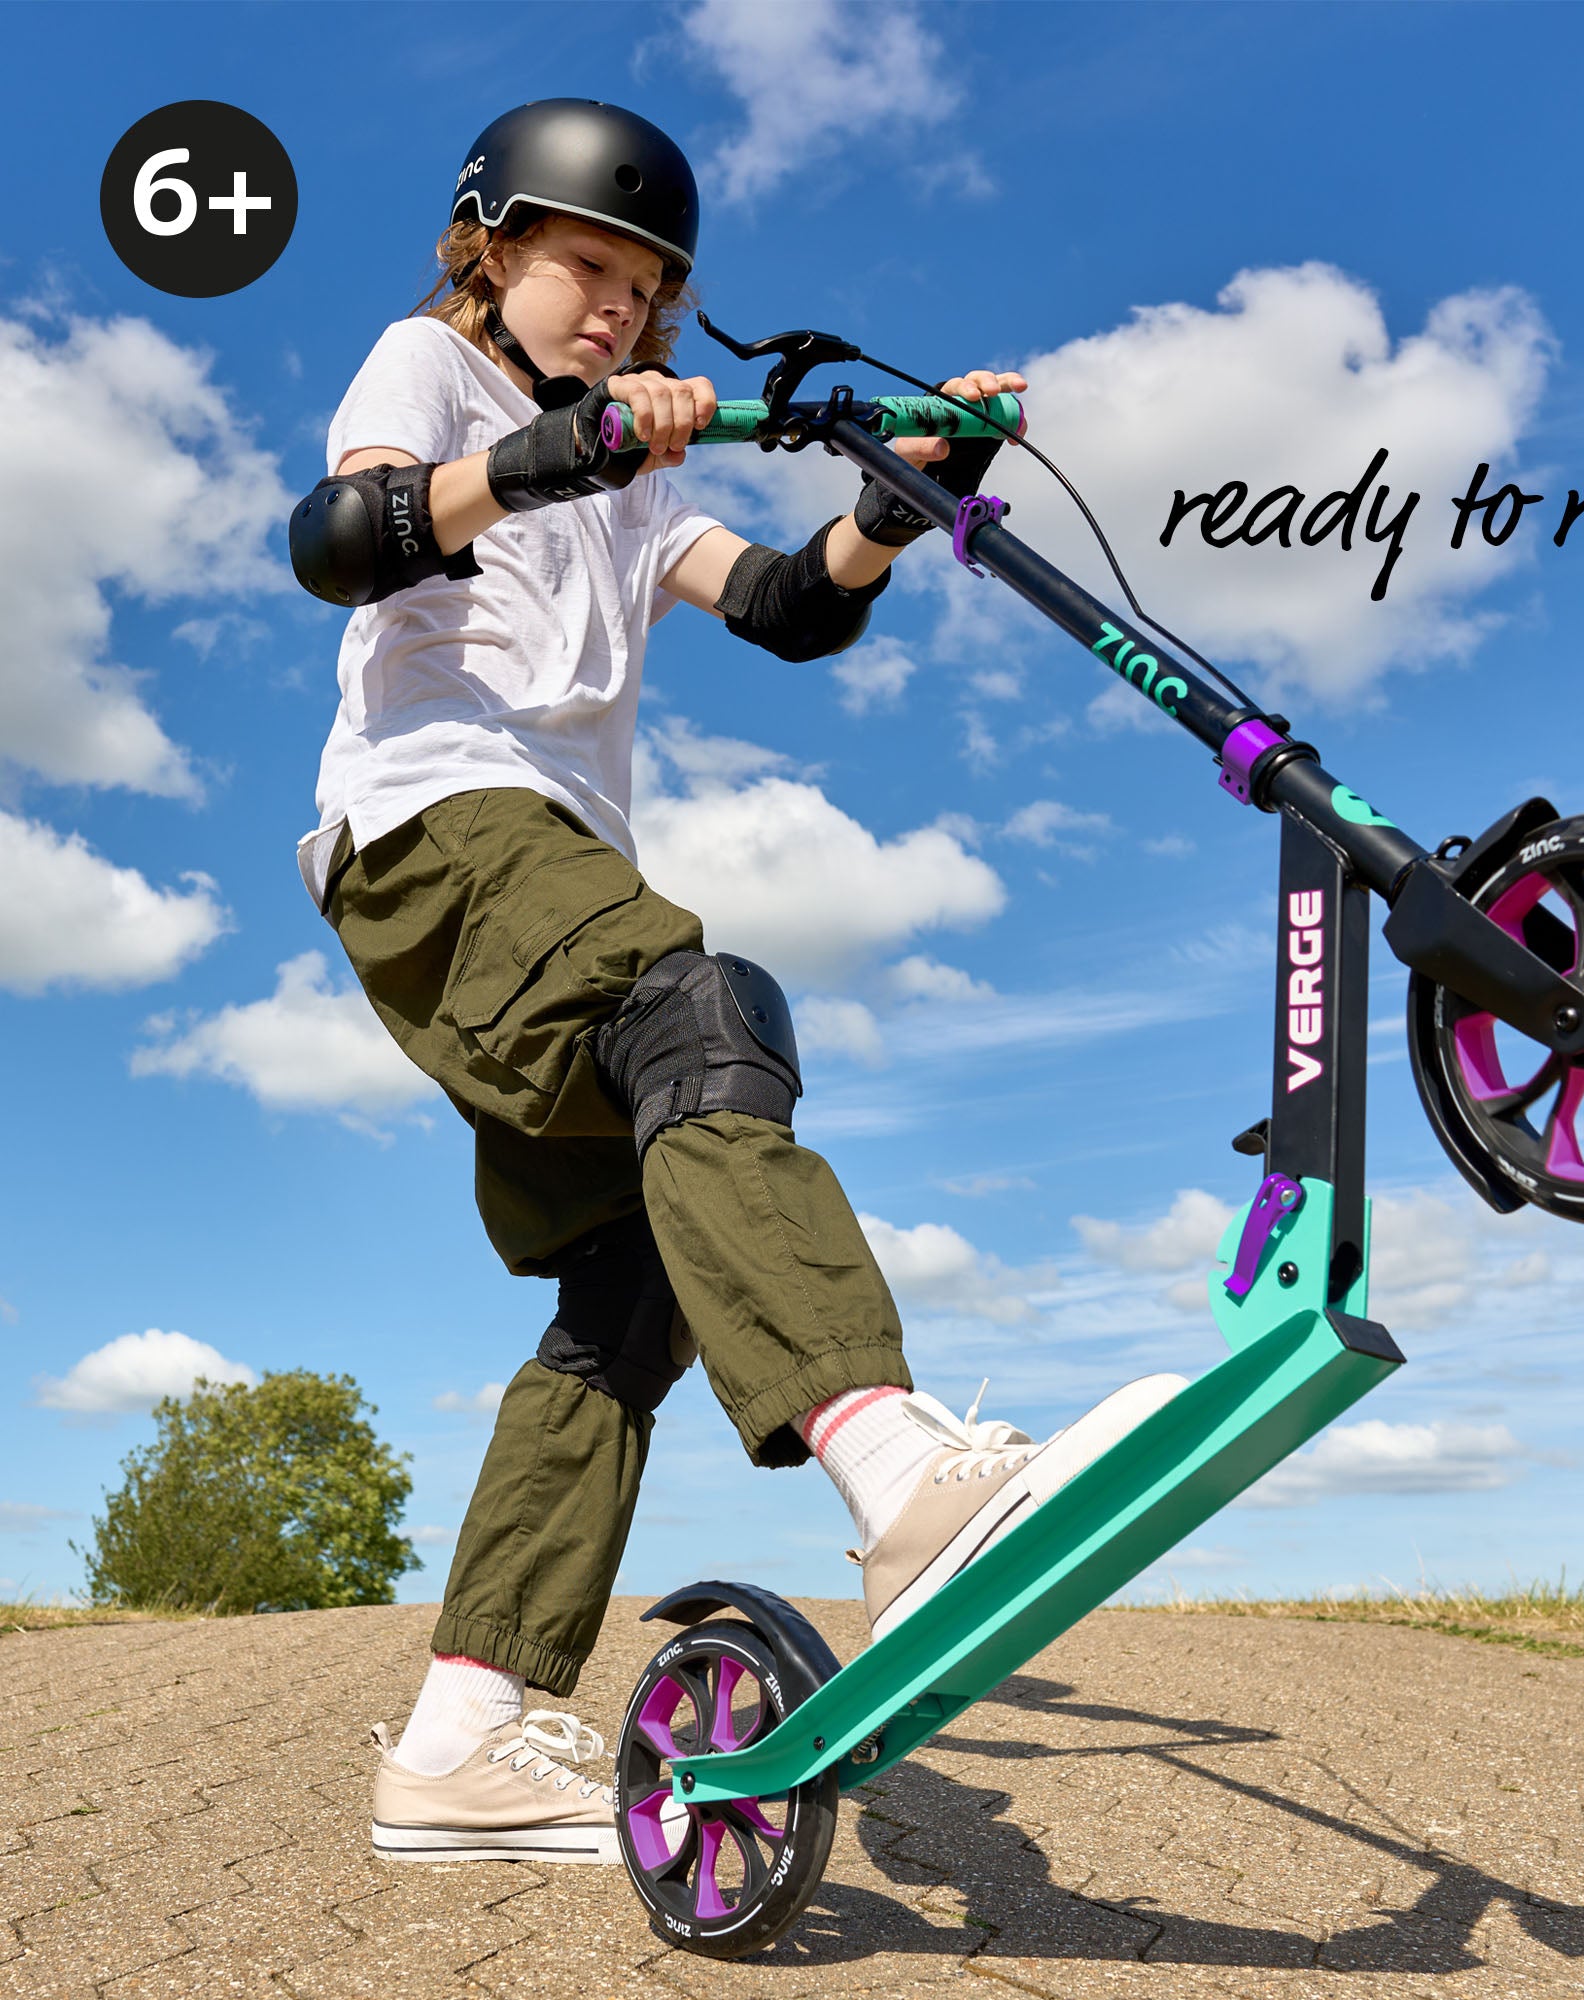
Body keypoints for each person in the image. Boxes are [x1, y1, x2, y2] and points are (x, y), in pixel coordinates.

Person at [289, 99, 1184, 1867]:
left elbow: (782, 605)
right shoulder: (435, 369)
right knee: (698, 1006)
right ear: (490, 249)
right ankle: (897, 1471)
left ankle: (463, 1737)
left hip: (534, 873)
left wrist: (894, 505)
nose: (615, 311)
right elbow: (342, 536)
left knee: (628, 1287)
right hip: (427, 830)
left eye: (646, 289)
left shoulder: (650, 478)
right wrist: (561, 454)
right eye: (583, 268)